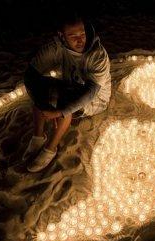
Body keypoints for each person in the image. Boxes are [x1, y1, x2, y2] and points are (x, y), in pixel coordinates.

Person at [23, 12, 111, 172]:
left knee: (65, 100)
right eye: (72, 36)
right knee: (41, 88)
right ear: (61, 36)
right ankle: (38, 137)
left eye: (82, 34)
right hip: (70, 86)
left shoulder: (97, 55)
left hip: (95, 101)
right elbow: (31, 74)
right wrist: (42, 102)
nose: (80, 40)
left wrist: (60, 112)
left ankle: (50, 148)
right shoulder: (56, 48)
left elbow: (90, 92)